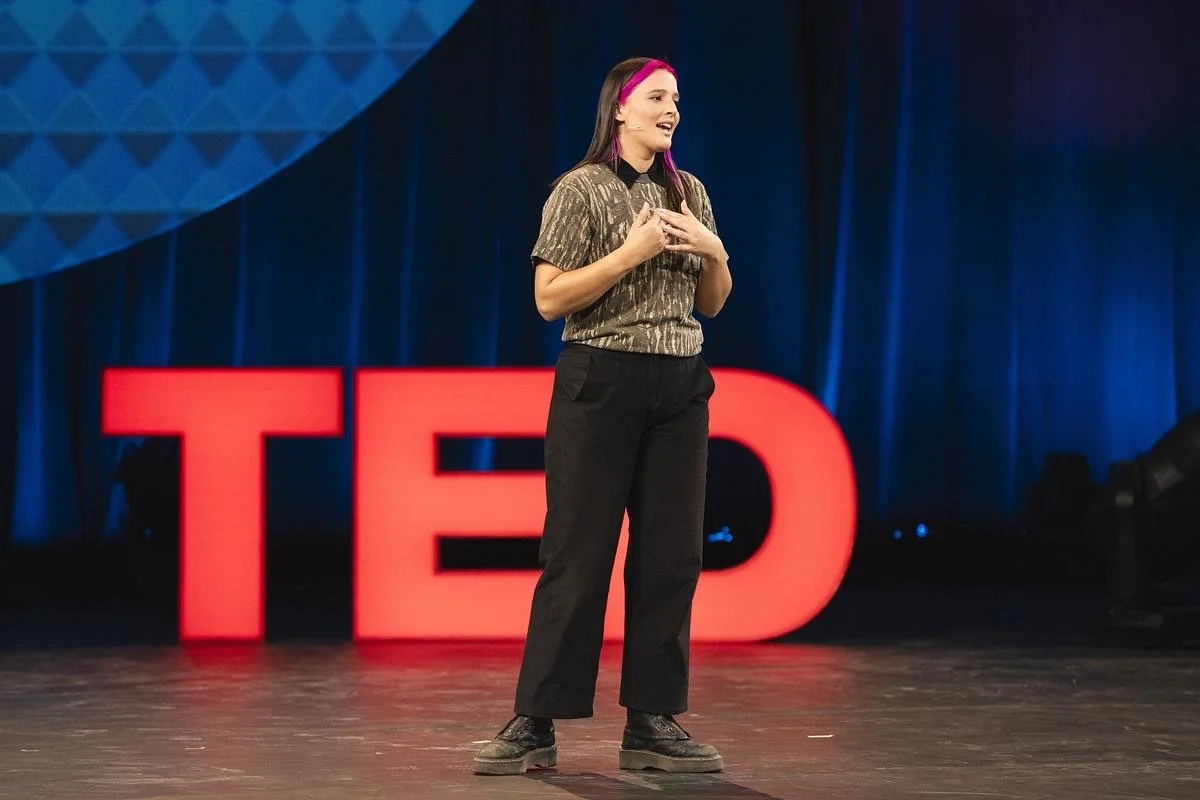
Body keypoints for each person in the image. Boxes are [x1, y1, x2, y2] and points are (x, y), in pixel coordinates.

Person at [473, 56, 733, 776]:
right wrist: (630, 252)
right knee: (578, 554)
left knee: (671, 556)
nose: (670, 108)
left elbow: (711, 300)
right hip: (602, 378)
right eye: (656, 97)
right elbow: (549, 299)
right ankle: (537, 720)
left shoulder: (690, 192)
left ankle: (652, 722)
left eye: (676, 98)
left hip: (680, 385)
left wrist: (712, 250)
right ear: (620, 109)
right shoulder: (580, 190)